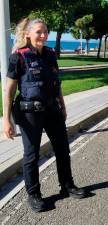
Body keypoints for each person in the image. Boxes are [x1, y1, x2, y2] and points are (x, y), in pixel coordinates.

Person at [3, 18, 88, 212]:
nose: (43, 35)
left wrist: (63, 106)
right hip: (29, 113)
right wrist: (6, 120)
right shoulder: (19, 57)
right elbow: (8, 90)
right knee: (31, 155)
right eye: (39, 32)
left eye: (45, 31)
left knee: (62, 149)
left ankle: (67, 185)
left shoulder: (50, 54)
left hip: (52, 110)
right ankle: (34, 195)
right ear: (28, 34)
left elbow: (56, 84)